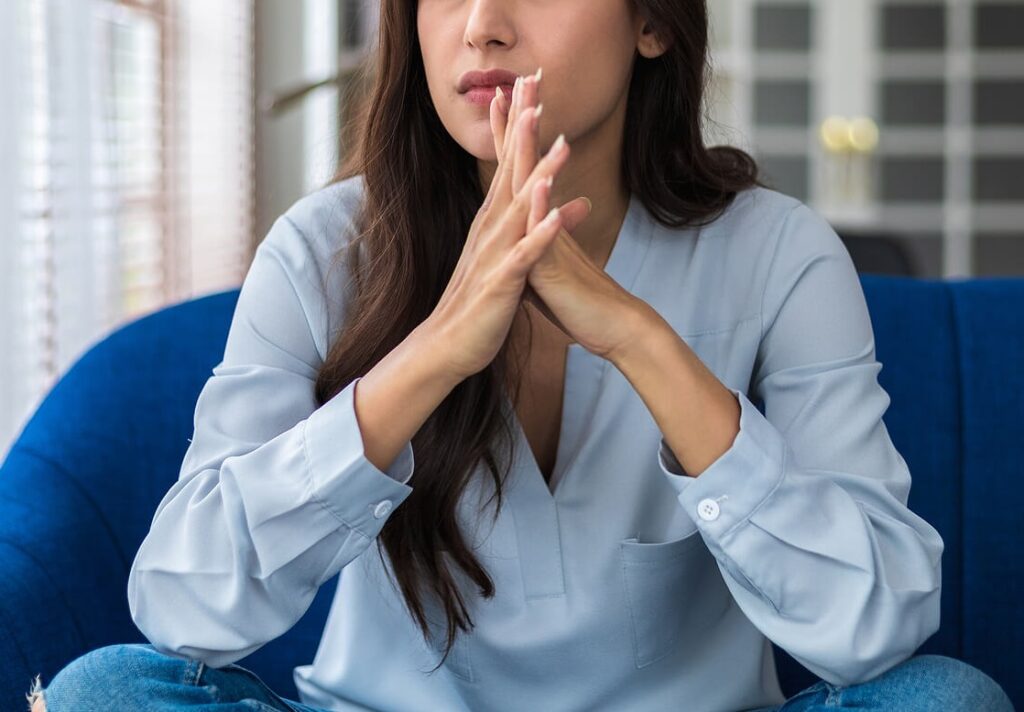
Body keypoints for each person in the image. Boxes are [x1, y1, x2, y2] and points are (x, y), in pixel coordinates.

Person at [28, 0, 1014, 710]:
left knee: (944, 698)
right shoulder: (324, 250)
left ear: (653, 23)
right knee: (105, 691)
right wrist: (432, 355)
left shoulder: (776, 252)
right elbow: (183, 605)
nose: (482, 23)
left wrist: (639, 339)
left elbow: (874, 628)